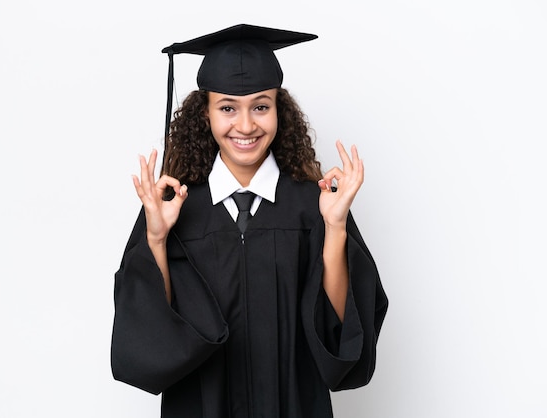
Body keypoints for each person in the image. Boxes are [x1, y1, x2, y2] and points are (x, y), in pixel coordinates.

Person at [110, 24, 388, 418]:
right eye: (227, 108)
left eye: (261, 106)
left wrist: (336, 227)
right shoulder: (172, 206)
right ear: (204, 114)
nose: (245, 125)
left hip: (294, 405)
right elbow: (150, 337)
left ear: (279, 109)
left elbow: (339, 330)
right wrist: (156, 239)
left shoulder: (315, 203)